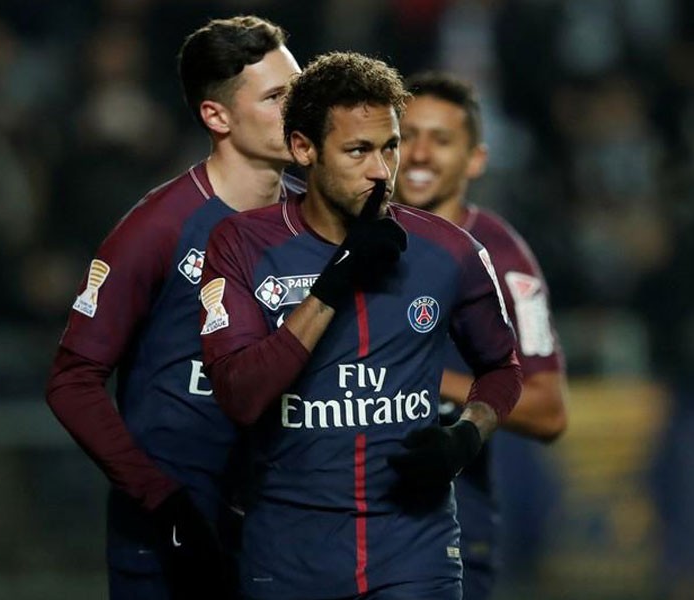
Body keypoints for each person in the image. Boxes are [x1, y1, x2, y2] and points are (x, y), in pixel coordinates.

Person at [199, 51, 524, 600]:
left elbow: (502, 368)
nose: (382, 170)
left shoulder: (451, 253)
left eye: (389, 147)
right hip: (288, 555)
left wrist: (466, 437)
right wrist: (334, 284)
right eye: (358, 151)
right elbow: (240, 394)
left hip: (414, 552)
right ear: (303, 149)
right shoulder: (241, 245)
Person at [44, 16, 301, 600]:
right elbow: (72, 381)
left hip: (283, 529)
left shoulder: (318, 222)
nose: (300, 108)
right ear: (218, 117)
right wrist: (163, 501)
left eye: (301, 89)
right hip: (170, 541)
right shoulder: (157, 228)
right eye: (276, 96)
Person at [395, 71, 569, 599]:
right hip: (338, 524)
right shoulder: (345, 235)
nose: (420, 154)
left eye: (441, 140)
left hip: (451, 528)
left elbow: (548, 409)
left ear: (475, 159)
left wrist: (428, 378)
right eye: (407, 136)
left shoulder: (503, 258)